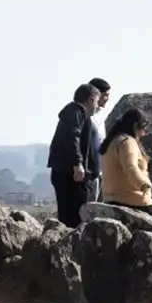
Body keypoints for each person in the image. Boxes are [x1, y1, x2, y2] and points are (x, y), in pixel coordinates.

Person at [48, 83, 102, 226]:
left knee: (72, 216)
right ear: (90, 99)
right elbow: (72, 137)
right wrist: (77, 164)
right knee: (74, 218)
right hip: (70, 176)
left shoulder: (77, 114)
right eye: (97, 101)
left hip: (71, 175)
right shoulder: (75, 112)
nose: (97, 106)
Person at [100, 108, 152, 222]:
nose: (145, 131)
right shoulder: (127, 142)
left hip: (110, 198)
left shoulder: (112, 141)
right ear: (135, 126)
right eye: (143, 127)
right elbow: (130, 167)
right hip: (133, 198)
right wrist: (143, 184)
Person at [86, 78, 112, 203]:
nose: (108, 98)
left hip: (100, 167)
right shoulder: (85, 114)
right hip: (88, 169)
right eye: (106, 95)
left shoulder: (100, 114)